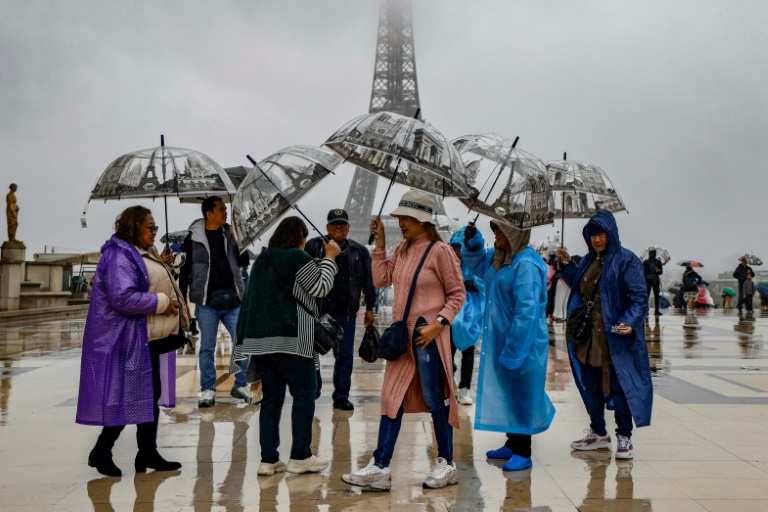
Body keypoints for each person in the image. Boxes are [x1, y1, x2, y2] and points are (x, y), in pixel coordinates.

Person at [342, 190, 465, 491]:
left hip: (427, 337)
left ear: (423, 220)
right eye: (399, 217)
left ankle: (446, 462)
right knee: (390, 399)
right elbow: (382, 279)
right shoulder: (403, 250)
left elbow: (457, 293)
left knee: (437, 400)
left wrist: (439, 324)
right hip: (402, 337)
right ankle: (381, 466)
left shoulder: (440, 251)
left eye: (406, 218)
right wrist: (381, 245)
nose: (401, 222)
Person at [76, 206, 185, 477]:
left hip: (143, 335)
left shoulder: (139, 253)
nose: (155, 232)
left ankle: (147, 451)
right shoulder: (117, 256)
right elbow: (123, 298)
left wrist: (163, 265)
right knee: (125, 396)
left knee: (149, 394)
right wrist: (161, 303)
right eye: (150, 227)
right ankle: (102, 450)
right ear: (133, 227)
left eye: (155, 227)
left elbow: (143, 282)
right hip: (124, 337)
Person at [230, 216, 340, 476]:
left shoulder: (263, 261)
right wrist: (331, 258)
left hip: (262, 343)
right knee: (304, 394)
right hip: (293, 339)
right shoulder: (297, 257)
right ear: (300, 238)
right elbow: (321, 287)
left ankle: (268, 459)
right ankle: (301, 455)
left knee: (272, 399)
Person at [558, 210, 652, 460]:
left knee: (620, 387)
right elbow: (580, 286)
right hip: (589, 338)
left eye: (601, 234)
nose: (597, 239)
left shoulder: (627, 261)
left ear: (611, 234)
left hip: (615, 337)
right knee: (591, 386)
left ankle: (624, 436)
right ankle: (598, 432)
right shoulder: (589, 260)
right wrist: (568, 265)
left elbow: (639, 299)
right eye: (592, 234)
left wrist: (629, 323)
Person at [462, 222, 555, 472]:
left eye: (500, 231)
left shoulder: (526, 264)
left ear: (514, 234)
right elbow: (478, 265)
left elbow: (527, 313)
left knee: (522, 393)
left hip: (523, 341)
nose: (496, 235)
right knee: (507, 391)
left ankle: (523, 452)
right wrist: (473, 242)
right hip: (502, 338)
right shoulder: (500, 257)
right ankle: (512, 443)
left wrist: (514, 349)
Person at [179, 196, 253, 407]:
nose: (225, 212)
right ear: (209, 213)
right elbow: (185, 271)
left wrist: (238, 241)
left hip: (234, 300)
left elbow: (245, 261)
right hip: (206, 302)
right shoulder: (192, 238)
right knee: (207, 348)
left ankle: (240, 385)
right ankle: (207, 390)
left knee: (241, 343)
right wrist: (183, 300)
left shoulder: (231, 233)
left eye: (225, 209)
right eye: (221, 209)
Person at [304, 208, 376, 411]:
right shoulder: (313, 246)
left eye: (342, 224)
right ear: (327, 227)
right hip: (317, 311)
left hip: (346, 314)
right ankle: (314, 387)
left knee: (344, 357)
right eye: (334, 224)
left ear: (348, 228)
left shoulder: (359, 251)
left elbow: (368, 282)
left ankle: (341, 396)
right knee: (311, 354)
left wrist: (370, 308)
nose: (338, 227)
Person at [448, 227, 486, 405]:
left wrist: (471, 283)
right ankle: (448, 384)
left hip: (472, 311)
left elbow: (485, 282)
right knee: (448, 350)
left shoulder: (477, 263)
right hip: (453, 309)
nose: (457, 252)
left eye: (460, 248)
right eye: (454, 248)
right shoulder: (449, 263)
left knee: (468, 350)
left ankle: (464, 388)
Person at [643, 250, 664, 315]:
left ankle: (656, 310)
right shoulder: (646, 262)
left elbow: (660, 272)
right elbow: (643, 271)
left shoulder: (657, 262)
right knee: (647, 296)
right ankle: (647, 310)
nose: (652, 254)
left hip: (654, 280)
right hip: (649, 280)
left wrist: (658, 270)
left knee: (656, 296)